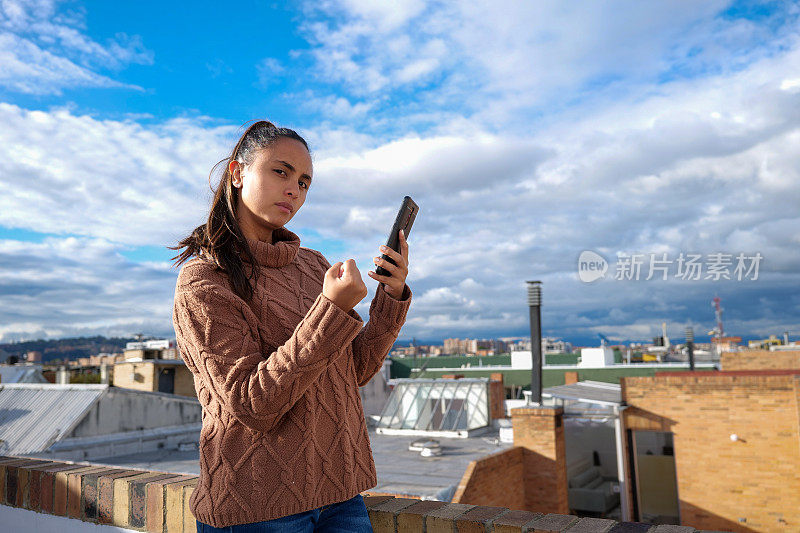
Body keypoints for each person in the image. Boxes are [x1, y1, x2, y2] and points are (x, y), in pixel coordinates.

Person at [169, 120, 412, 532]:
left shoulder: (314, 265)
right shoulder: (204, 281)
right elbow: (251, 404)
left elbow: (349, 373)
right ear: (238, 172)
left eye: (304, 182)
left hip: (341, 494)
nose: (294, 190)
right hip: (257, 509)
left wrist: (390, 298)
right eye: (280, 171)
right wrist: (331, 310)